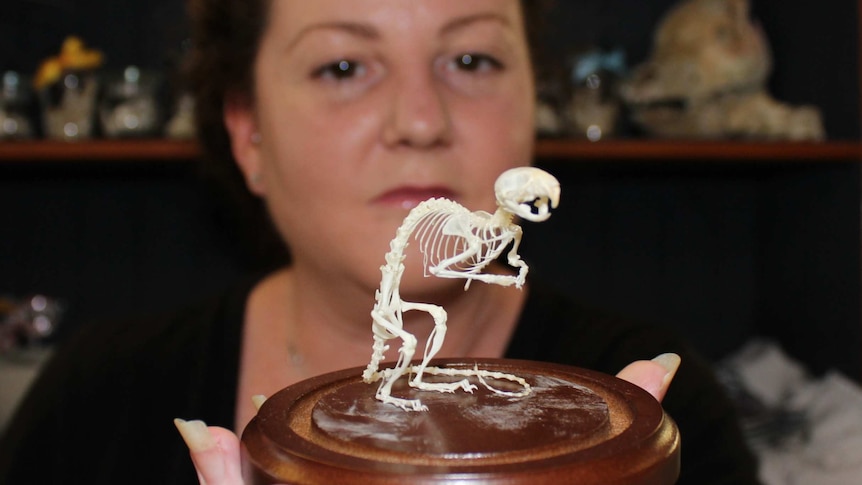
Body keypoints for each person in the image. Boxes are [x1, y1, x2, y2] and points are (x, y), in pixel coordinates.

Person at [0, 1, 760, 484]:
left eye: (471, 59)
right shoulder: (95, 400)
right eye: (343, 67)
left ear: (537, 103)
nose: (421, 120)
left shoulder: (656, 422)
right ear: (248, 133)